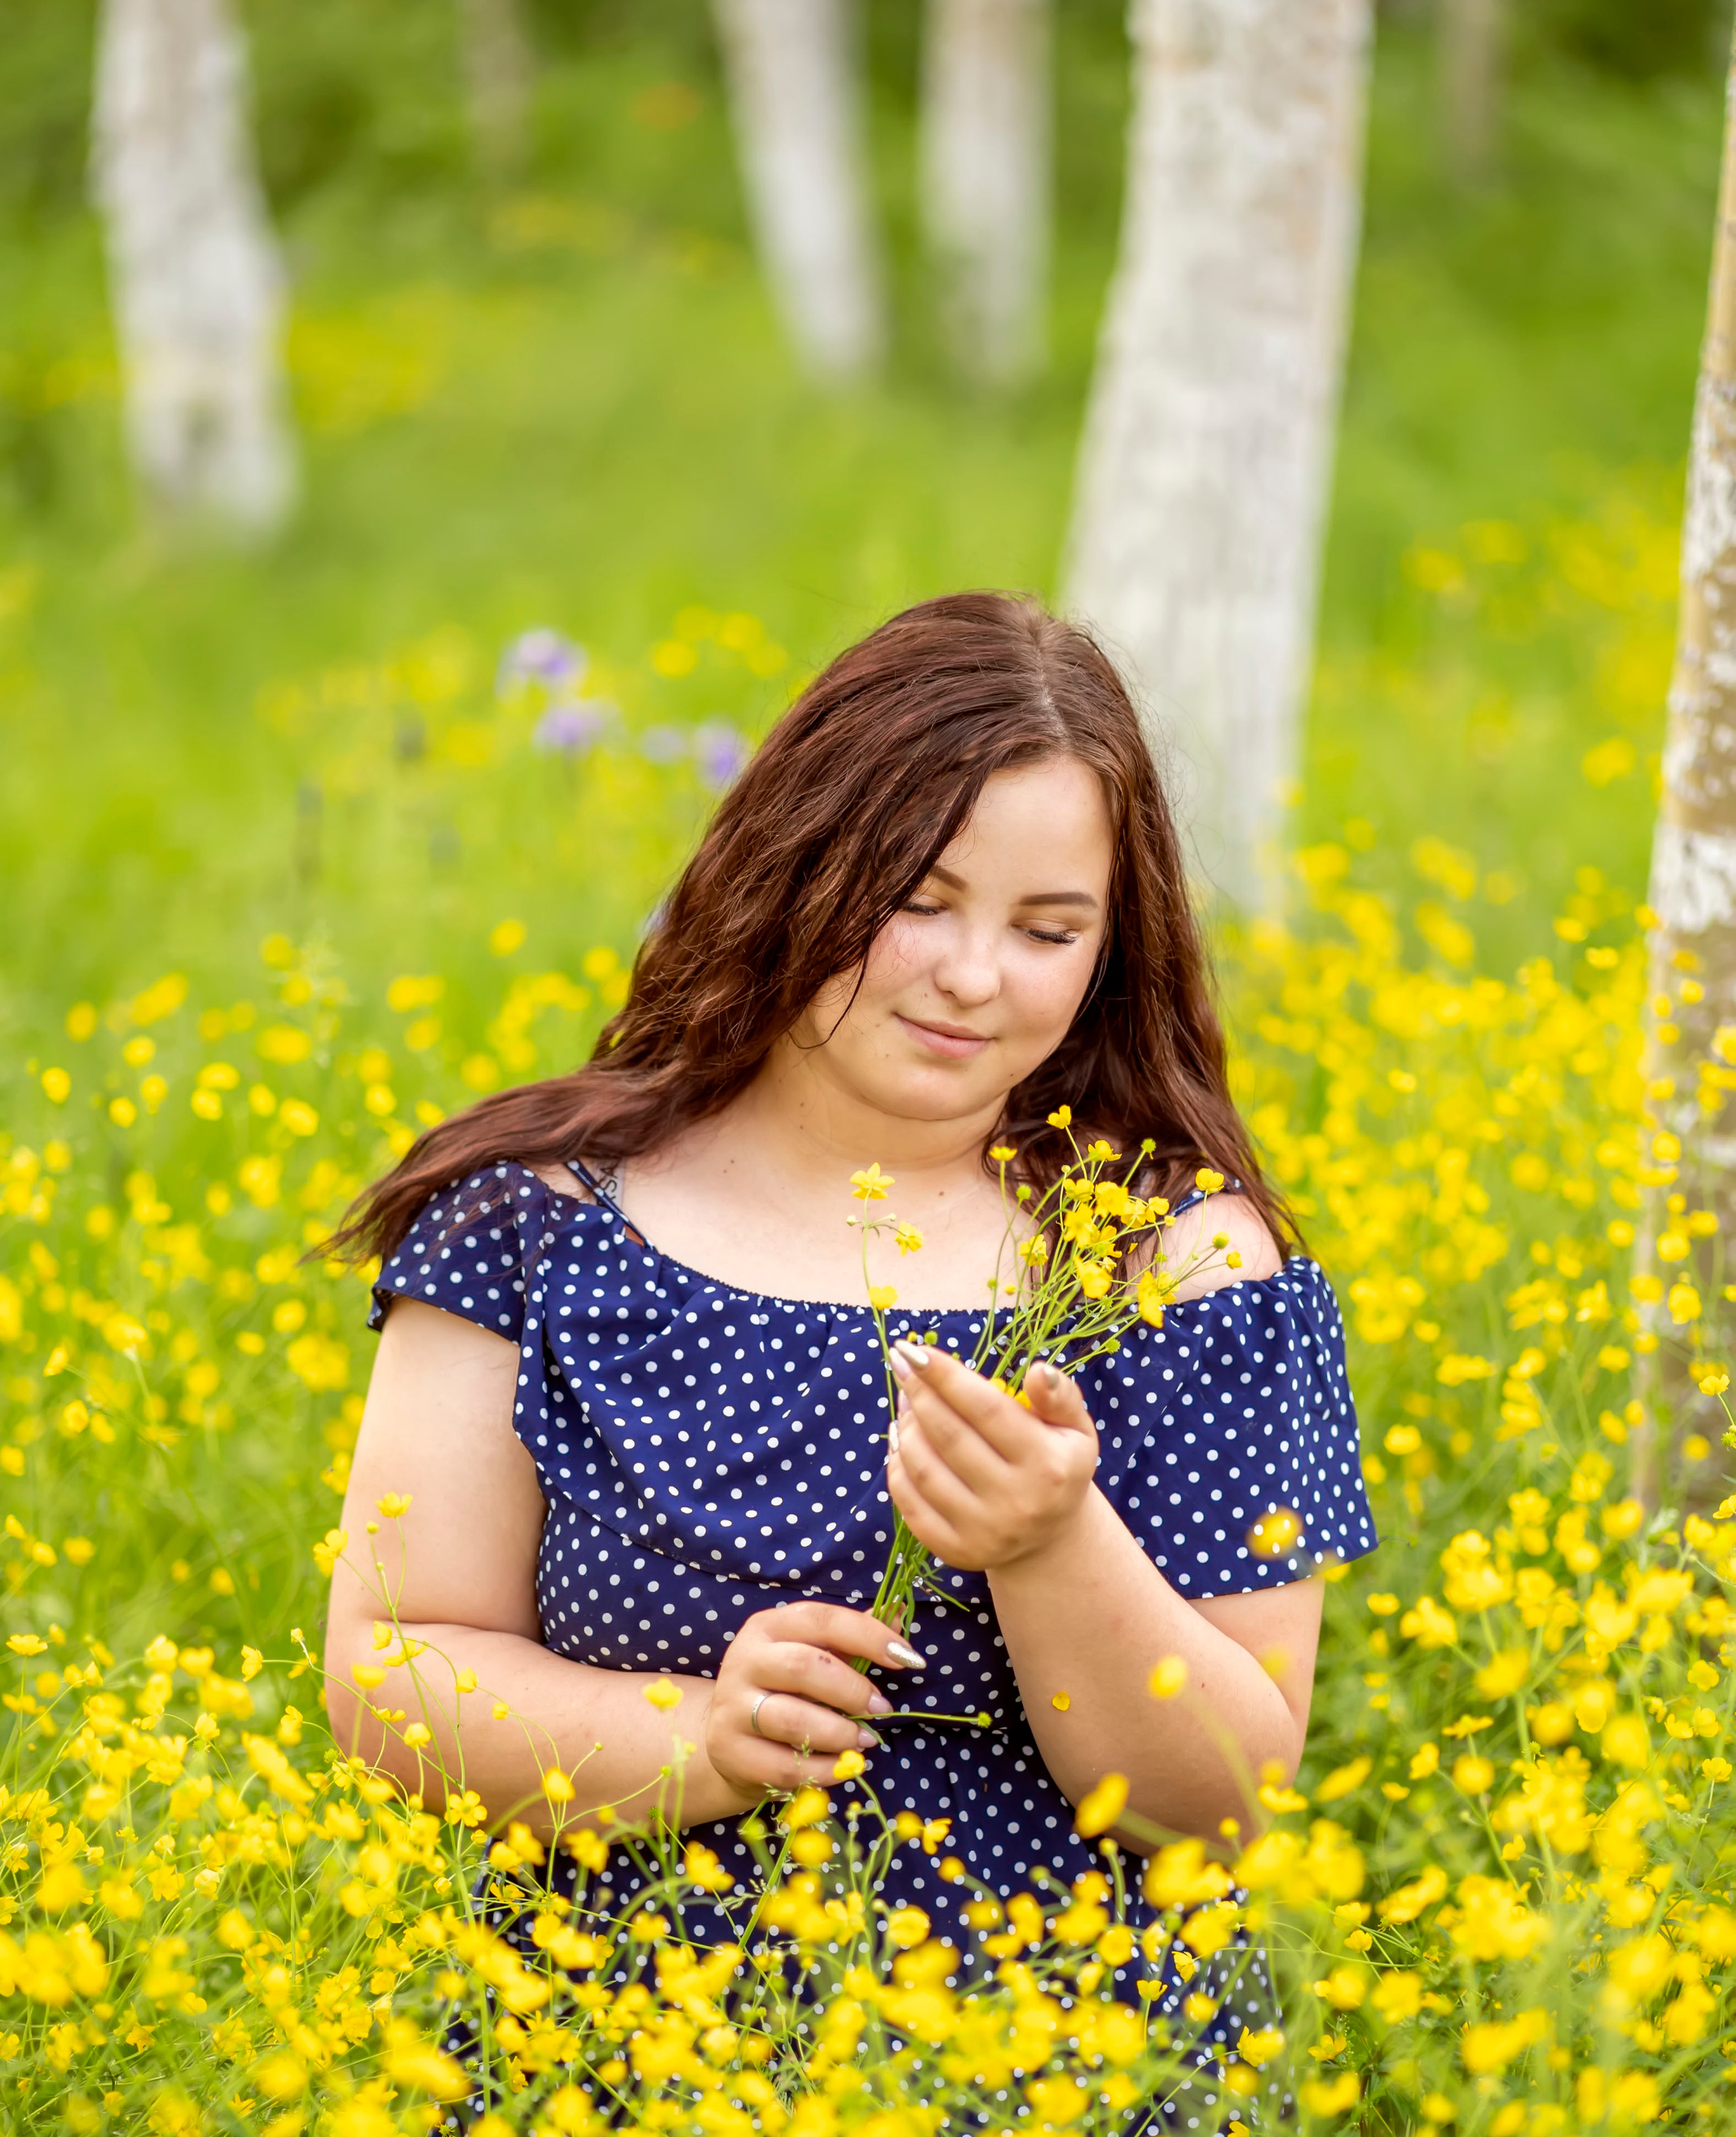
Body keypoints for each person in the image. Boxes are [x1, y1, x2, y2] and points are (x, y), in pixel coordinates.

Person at [324, 591, 1375, 1944]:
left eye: (1047, 931)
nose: (972, 977)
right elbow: (387, 1673)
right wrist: (700, 1739)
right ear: (794, 866)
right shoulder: (538, 1220)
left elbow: (1217, 1805)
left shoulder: (1169, 1258)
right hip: (598, 2101)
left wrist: (1048, 1546)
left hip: (1058, 2119)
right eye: (916, 902)